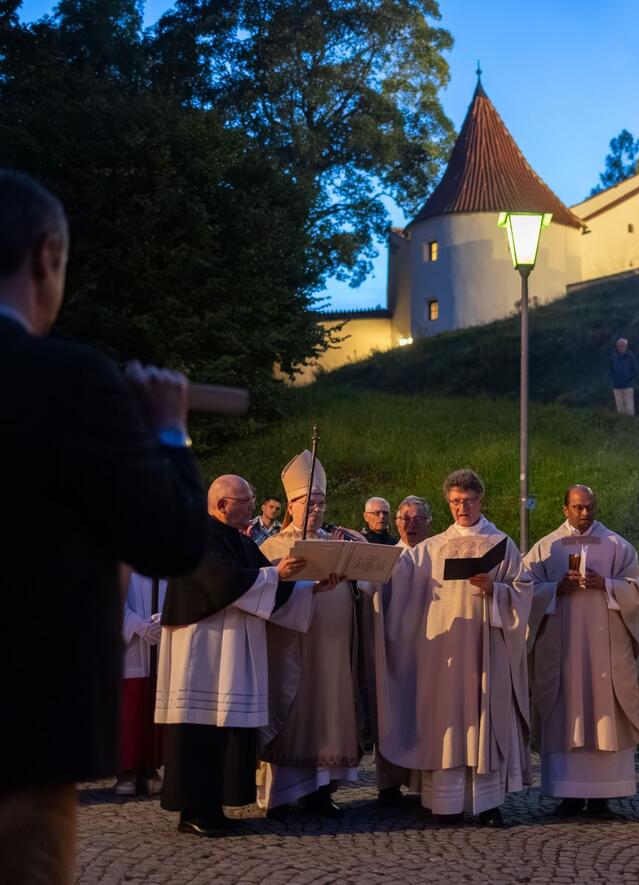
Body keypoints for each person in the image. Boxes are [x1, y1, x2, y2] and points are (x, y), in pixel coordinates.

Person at [0, 170, 206, 882]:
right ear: (47, 253)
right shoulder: (70, 380)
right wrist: (170, 434)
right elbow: (174, 538)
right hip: (22, 736)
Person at [155, 475, 331, 837]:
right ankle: (193, 810)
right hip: (200, 654)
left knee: (223, 732)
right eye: (247, 501)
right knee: (199, 732)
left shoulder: (238, 539)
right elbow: (222, 581)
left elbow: (264, 584)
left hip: (230, 650)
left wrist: (311, 587)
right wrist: (274, 573)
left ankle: (213, 807)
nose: (253, 507)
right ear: (222, 504)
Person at [374, 469, 532, 826]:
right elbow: (396, 582)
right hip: (443, 654)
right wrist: (365, 569)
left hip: (485, 650)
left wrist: (496, 589)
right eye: (456, 501)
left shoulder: (501, 544)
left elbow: (523, 590)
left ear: (481, 500)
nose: (462, 507)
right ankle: (444, 804)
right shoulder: (430, 549)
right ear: (449, 503)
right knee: (444, 722)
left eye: (469, 500)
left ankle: (488, 804)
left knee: (483, 720)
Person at [257, 452, 370, 818]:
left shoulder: (339, 541)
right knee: (292, 711)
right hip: (290, 646)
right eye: (309, 503)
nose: (317, 510)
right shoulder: (272, 547)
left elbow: (369, 585)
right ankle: (283, 795)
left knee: (330, 707)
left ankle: (321, 791)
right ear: (291, 505)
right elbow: (262, 595)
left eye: (321, 503)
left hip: (334, 645)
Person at [524, 485, 639, 817]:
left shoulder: (618, 545)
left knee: (605, 712)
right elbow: (523, 589)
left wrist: (605, 584)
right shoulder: (546, 548)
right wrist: (555, 589)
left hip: (605, 652)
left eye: (590, 507)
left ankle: (603, 796)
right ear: (565, 509)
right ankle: (569, 794)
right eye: (577, 507)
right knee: (567, 713)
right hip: (562, 652)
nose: (585, 513)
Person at [370, 494, 434, 807]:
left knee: (428, 716)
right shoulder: (386, 558)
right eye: (405, 518)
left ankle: (426, 782)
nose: (410, 524)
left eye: (417, 518)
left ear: (429, 523)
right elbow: (368, 596)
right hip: (392, 651)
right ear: (396, 523)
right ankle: (389, 783)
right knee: (391, 713)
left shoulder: (439, 555)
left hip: (432, 651)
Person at [115, 571, 168, 797]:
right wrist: (137, 625)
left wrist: (167, 617)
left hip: (161, 642)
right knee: (130, 709)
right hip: (131, 649)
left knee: (156, 705)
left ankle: (150, 768)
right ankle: (126, 770)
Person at [610, 337, 639, 415]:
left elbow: (636, 369)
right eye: (619, 345)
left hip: (628, 385)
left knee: (629, 407)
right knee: (619, 407)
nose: (620, 347)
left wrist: (629, 378)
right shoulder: (613, 356)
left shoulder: (631, 356)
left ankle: (630, 424)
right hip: (616, 385)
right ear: (617, 346)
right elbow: (610, 369)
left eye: (622, 345)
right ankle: (621, 423)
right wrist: (614, 378)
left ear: (626, 346)